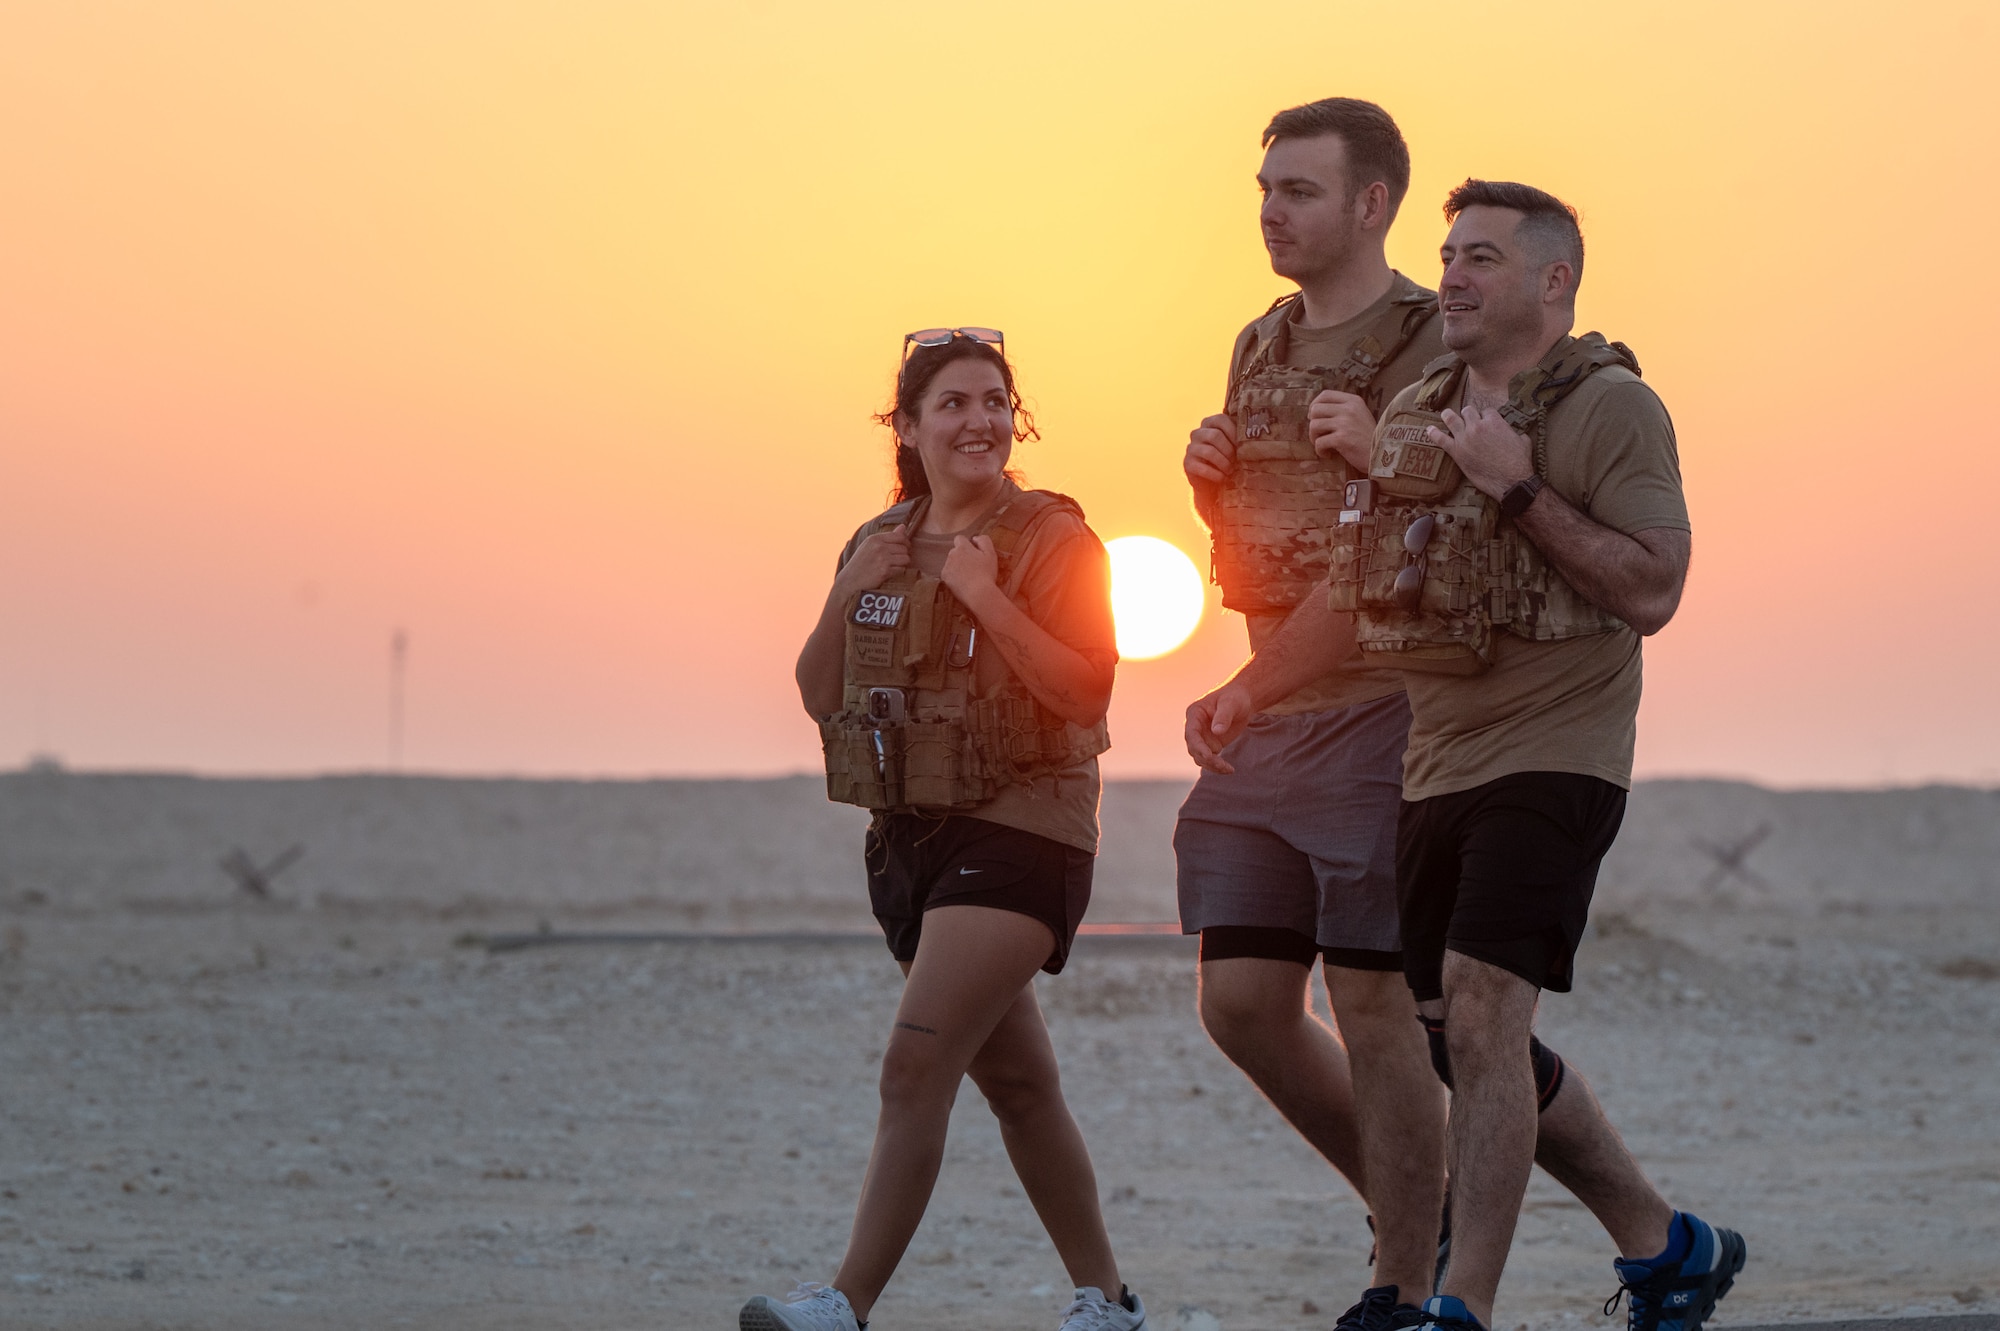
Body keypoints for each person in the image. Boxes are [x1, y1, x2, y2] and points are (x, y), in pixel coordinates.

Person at [1187, 181, 1745, 1331]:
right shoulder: (1415, 412)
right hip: (1431, 757)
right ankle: (1666, 1242)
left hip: (1556, 747)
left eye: (1480, 256)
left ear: (1551, 281)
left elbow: (1652, 586)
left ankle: (1458, 1304)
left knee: (1485, 1013)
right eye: (1446, 252)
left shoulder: (1612, 407)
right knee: (1461, 1041)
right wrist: (1249, 673)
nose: (1449, 273)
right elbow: (1356, 584)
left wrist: (1516, 482)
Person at [741, 329, 1146, 1331]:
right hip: (909, 838)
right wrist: (849, 587)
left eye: (995, 401)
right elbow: (816, 690)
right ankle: (1109, 1300)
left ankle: (843, 1301)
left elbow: (1084, 683)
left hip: (1025, 825)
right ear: (909, 426)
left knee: (913, 1062)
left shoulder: (1053, 537)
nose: (979, 421)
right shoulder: (876, 536)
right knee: (1017, 1080)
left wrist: (982, 594)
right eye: (954, 403)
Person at [1173, 96, 1451, 1331]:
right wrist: (1208, 489)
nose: (1270, 211)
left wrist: (1372, 452)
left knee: (1376, 999)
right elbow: (1265, 546)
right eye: (1265, 188)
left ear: (1370, 202)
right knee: (1238, 998)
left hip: (1382, 704)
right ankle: (1419, 1203)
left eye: (1297, 189)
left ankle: (1400, 1279)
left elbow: (1402, 547)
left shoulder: (1428, 342)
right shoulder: (1259, 341)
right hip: (1271, 701)